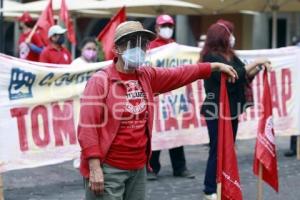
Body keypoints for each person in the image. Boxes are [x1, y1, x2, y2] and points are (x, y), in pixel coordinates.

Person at [77, 20, 238, 200]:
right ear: (117, 48)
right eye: (132, 43)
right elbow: (87, 128)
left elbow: (179, 74)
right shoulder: (100, 81)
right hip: (109, 169)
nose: (138, 48)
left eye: (142, 43)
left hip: (138, 168)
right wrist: (95, 168)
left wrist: (212, 67)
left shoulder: (146, 76)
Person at [200, 19, 272, 200]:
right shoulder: (210, 58)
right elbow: (233, 75)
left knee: (229, 148)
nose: (233, 37)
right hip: (215, 110)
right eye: (230, 33)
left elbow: (243, 76)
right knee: (217, 148)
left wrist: (258, 68)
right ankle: (210, 189)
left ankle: (224, 181)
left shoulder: (231, 55)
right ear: (222, 37)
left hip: (232, 109)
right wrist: (256, 62)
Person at [147, 14, 194, 180]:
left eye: (169, 25)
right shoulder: (151, 48)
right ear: (157, 28)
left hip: (175, 97)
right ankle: (151, 167)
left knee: (176, 132)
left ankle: (180, 167)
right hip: (157, 97)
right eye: (164, 26)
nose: (167, 28)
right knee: (156, 132)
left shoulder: (177, 47)